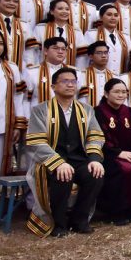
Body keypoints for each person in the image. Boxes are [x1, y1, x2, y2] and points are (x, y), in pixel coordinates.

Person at [24, 68, 104, 237]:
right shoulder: (40, 110)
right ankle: (58, 224)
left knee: (95, 174)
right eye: (65, 81)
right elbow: (37, 142)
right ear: (53, 87)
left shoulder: (87, 110)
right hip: (50, 161)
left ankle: (79, 220)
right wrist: (58, 163)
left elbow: (95, 136)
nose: (70, 85)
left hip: (79, 159)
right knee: (63, 175)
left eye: (73, 81)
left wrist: (94, 159)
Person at [94, 78, 131, 225]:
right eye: (116, 92)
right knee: (119, 171)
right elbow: (100, 136)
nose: (121, 95)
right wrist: (117, 153)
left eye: (124, 92)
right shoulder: (98, 112)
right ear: (106, 94)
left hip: (130, 154)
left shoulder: (130, 112)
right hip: (108, 155)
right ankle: (116, 212)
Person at [0, 30, 28, 175]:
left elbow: (18, 97)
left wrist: (18, 124)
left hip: (3, 125)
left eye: (0, 43)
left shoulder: (12, 68)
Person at [24, 37, 82, 107]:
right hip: (40, 113)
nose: (60, 52)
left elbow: (80, 99)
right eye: (55, 48)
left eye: (63, 49)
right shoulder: (32, 72)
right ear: (45, 51)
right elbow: (25, 100)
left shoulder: (76, 73)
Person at [33, 0, 87, 67]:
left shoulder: (76, 32)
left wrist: (78, 71)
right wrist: (37, 69)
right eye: (60, 9)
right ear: (52, 12)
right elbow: (34, 52)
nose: (64, 11)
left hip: (68, 71)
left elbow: (81, 56)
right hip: (44, 70)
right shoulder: (40, 28)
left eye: (67, 9)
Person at [0, 0, 37, 71]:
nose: (11, 3)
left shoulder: (24, 25)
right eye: (7, 0)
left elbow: (30, 51)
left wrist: (29, 68)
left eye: (15, 1)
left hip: (20, 71)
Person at [85, 4, 131, 74]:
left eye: (116, 15)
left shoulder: (126, 37)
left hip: (120, 77)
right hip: (97, 76)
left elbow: (129, 60)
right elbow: (85, 59)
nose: (113, 18)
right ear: (101, 17)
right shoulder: (91, 34)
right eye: (109, 15)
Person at [78, 41, 115, 108]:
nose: (103, 56)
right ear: (91, 56)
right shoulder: (81, 75)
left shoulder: (114, 77)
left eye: (106, 53)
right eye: (99, 53)